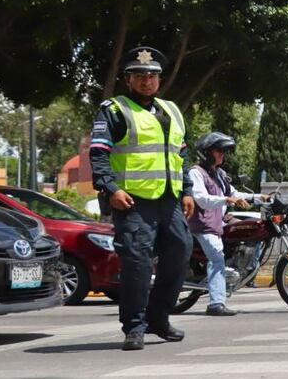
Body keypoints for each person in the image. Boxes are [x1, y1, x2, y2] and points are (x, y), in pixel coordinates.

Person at [89, 46, 195, 351]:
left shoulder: (172, 110)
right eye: (139, 76)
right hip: (133, 201)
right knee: (137, 264)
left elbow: (181, 154)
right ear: (128, 79)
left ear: (159, 79)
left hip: (170, 200)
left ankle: (159, 319)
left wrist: (186, 190)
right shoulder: (114, 109)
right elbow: (98, 153)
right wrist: (111, 189)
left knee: (180, 252)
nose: (146, 81)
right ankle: (134, 328)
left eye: (152, 75)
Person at [187, 132, 269, 316]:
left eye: (224, 151)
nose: (223, 155)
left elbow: (235, 193)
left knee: (249, 230)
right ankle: (216, 303)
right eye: (219, 151)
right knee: (217, 257)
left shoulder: (219, 174)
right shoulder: (196, 173)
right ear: (207, 152)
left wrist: (258, 197)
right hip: (203, 226)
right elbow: (201, 199)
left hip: (218, 223)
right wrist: (227, 200)